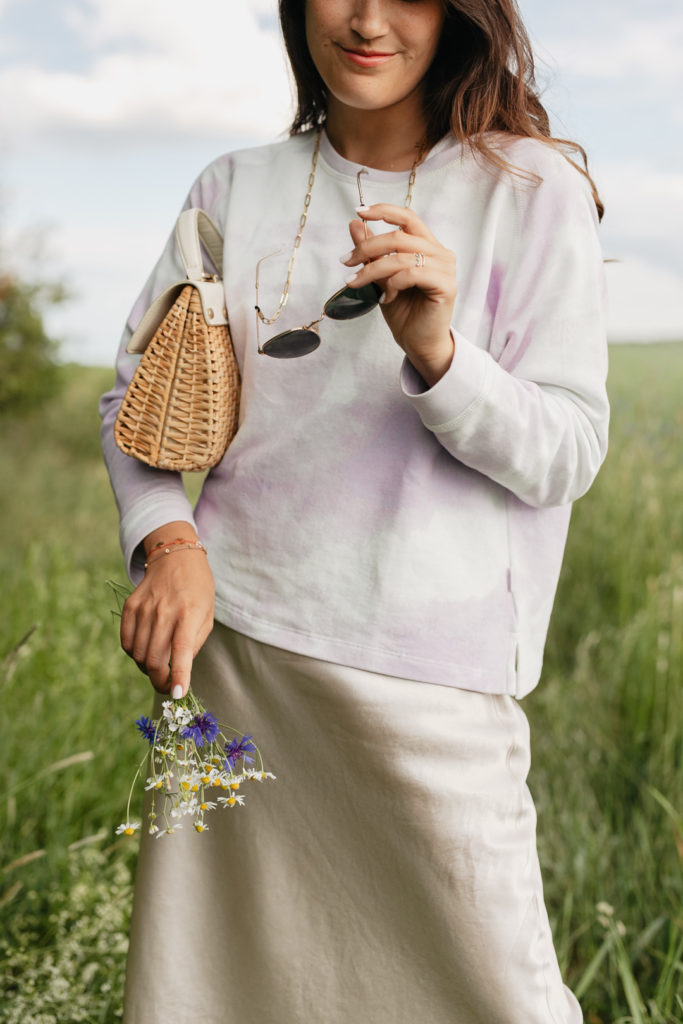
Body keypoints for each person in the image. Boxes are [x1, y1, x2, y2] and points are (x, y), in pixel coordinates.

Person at [100, 1, 609, 1021]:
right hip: (237, 672)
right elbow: (135, 408)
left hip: (434, 697)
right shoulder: (230, 190)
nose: (367, 17)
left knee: (493, 996)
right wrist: (169, 538)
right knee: (220, 990)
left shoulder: (531, 188)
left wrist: (439, 354)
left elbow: (566, 452)